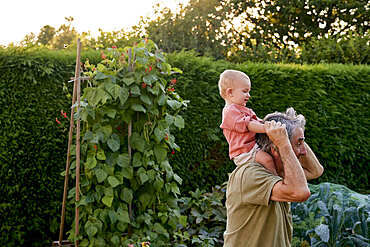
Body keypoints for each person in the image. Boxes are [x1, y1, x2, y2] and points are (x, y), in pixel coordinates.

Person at [223, 107, 324, 247]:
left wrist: (291, 132)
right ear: (275, 148)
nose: (304, 151)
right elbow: (300, 192)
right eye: (299, 144)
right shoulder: (250, 174)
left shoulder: (279, 172)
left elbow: (315, 171)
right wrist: (283, 142)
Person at [218, 69, 277, 175]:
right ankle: (275, 180)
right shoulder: (229, 111)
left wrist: (268, 123)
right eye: (245, 91)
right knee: (267, 160)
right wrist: (267, 129)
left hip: (252, 146)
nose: (248, 95)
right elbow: (248, 125)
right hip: (243, 151)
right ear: (230, 92)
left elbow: (257, 121)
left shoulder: (244, 109)